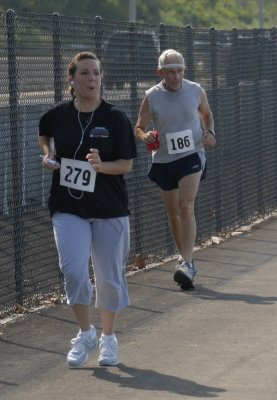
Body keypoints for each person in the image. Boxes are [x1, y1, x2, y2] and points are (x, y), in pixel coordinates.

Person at [38, 51, 137, 368]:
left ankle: (109, 338)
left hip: (109, 209)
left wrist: (101, 166)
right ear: (72, 79)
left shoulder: (115, 118)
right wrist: (48, 154)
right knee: (75, 271)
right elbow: (45, 134)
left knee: (109, 278)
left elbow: (126, 164)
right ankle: (85, 333)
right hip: (68, 206)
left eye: (96, 73)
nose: (92, 79)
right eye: (84, 73)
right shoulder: (58, 115)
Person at [135, 49, 216, 290]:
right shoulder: (152, 96)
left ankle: (188, 262)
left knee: (185, 205)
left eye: (180, 71)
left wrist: (210, 132)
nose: (176, 77)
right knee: (173, 214)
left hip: (192, 153)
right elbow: (139, 126)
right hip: (163, 159)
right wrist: (145, 136)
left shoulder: (195, 90)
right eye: (171, 72)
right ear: (161, 72)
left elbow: (207, 114)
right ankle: (184, 260)